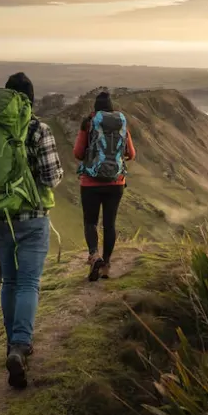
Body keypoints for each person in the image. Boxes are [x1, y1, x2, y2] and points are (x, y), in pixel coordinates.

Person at [0, 73, 63, 389]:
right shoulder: (38, 129)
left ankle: (12, 344)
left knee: (9, 280)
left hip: (0, 217)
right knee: (28, 282)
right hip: (32, 218)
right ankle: (21, 345)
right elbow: (51, 177)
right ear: (31, 100)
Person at [73, 91, 136, 281]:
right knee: (110, 224)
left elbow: (77, 153)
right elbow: (131, 154)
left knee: (90, 222)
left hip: (90, 182)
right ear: (111, 107)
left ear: (95, 108)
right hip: (115, 182)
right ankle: (106, 264)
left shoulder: (88, 124)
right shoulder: (120, 124)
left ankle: (94, 256)